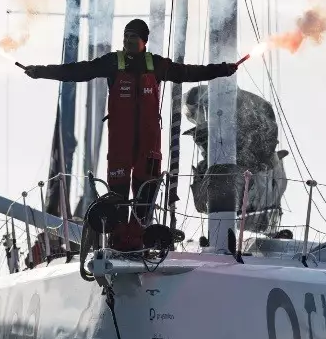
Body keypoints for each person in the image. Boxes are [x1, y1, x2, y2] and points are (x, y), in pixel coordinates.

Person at [24, 18, 240, 249]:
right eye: (125, 36)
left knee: (145, 190)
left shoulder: (156, 65)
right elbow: (78, 71)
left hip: (149, 143)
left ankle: (140, 236)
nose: (127, 41)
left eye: (133, 37)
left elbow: (187, 72)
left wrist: (223, 70)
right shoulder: (112, 62)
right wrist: (40, 72)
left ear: (144, 41)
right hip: (120, 142)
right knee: (117, 190)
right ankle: (117, 239)